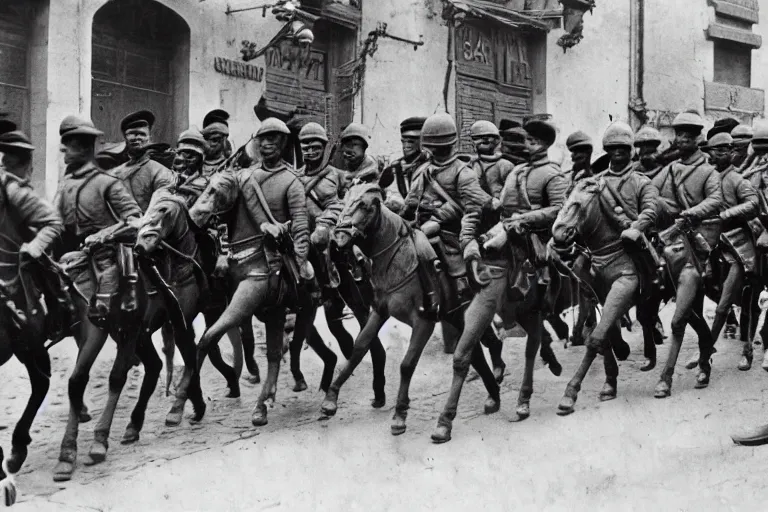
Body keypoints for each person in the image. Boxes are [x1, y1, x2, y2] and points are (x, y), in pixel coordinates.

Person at [650, 110, 723, 392]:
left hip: (698, 244)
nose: (681, 140)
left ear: (697, 139)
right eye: (678, 135)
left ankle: (666, 377)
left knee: (680, 318)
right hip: (672, 246)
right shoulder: (669, 170)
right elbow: (650, 192)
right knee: (690, 312)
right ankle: (707, 354)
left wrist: (690, 213)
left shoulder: (708, 172)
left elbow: (716, 200)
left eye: (687, 136)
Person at [55, 115, 142, 324]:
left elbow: (135, 220)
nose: (62, 149)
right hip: (76, 253)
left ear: (85, 149)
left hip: (108, 255)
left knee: (102, 300)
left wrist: (102, 235)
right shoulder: (66, 184)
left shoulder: (107, 183)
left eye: (69, 145)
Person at [402, 113, 490, 319]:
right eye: (433, 147)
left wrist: (438, 218)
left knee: (453, 261)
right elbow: (411, 201)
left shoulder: (463, 172)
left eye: (439, 147)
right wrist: (400, 218)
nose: (436, 151)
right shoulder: (423, 171)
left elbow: (471, 206)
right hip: (422, 225)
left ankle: (458, 291)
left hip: (453, 229)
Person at [0, 130, 73, 342]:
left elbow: (53, 222)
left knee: (46, 281)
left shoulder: (15, 191)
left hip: (14, 261)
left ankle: (56, 320)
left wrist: (33, 247)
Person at [697, 133, 758, 368]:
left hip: (736, 246)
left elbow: (752, 203)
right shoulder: (706, 178)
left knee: (727, 304)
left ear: (731, 153)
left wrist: (725, 214)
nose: (718, 155)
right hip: (710, 245)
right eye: (714, 151)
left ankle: (744, 350)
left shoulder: (736, 179)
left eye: (724, 151)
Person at [110, 110, 174, 213]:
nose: (137, 138)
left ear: (149, 138)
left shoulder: (160, 171)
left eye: (142, 134)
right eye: (132, 134)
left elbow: (164, 206)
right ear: (125, 137)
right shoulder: (115, 173)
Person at [378, 116, 430, 209]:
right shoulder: (393, 169)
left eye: (411, 141)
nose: (406, 146)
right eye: (403, 142)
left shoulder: (432, 167)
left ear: (423, 142)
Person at [468, 120, 514, 205]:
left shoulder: (504, 165)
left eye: (487, 138)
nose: (482, 141)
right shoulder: (471, 163)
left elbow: (511, 194)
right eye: (476, 138)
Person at [171, 127, 211, 207]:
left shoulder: (205, 181)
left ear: (200, 159)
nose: (184, 159)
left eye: (191, 156)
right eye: (181, 154)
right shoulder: (169, 175)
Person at [339, 123, 380, 193]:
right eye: (346, 145)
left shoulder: (371, 169)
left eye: (354, 144)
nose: (349, 149)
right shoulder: (345, 163)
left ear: (364, 147)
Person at [202, 109, 231, 176]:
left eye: (214, 140)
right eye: (205, 139)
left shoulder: (229, 164)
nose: (207, 145)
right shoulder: (196, 163)